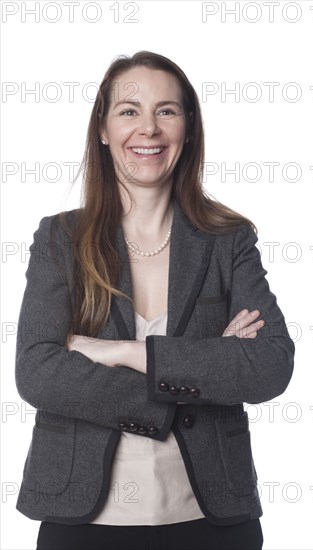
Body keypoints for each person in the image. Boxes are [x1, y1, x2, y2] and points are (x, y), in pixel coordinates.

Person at [15, 51, 295, 550]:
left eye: (167, 110)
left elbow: (269, 365)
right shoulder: (61, 238)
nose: (149, 128)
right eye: (129, 110)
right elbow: (38, 371)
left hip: (210, 517)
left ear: (188, 128)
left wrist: (118, 351)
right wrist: (200, 368)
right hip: (83, 518)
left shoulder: (228, 239)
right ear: (103, 129)